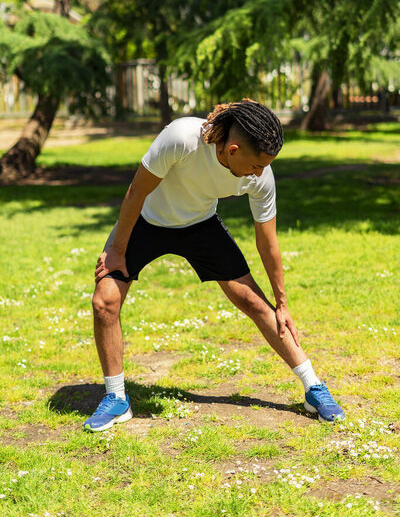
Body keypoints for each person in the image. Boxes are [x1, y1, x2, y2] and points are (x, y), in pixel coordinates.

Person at [83, 99, 345, 432]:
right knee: (104, 301)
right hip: (146, 222)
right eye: (256, 165)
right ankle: (117, 398)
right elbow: (136, 192)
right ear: (233, 150)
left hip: (200, 226)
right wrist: (118, 250)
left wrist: (282, 302)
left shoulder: (261, 175)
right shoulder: (181, 137)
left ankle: (313, 387)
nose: (261, 173)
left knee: (254, 301)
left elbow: (268, 242)